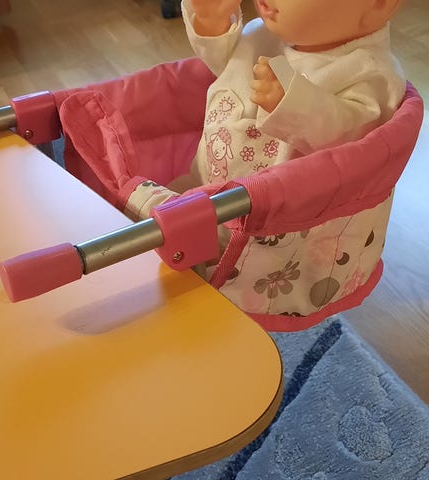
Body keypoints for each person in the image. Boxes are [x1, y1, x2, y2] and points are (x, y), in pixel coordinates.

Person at [61, 0, 409, 327]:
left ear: (378, 4)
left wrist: (294, 102)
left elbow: (352, 140)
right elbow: (224, 63)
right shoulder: (261, 34)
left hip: (269, 232)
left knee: (189, 288)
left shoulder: (370, 73)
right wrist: (211, 22)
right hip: (201, 185)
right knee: (145, 250)